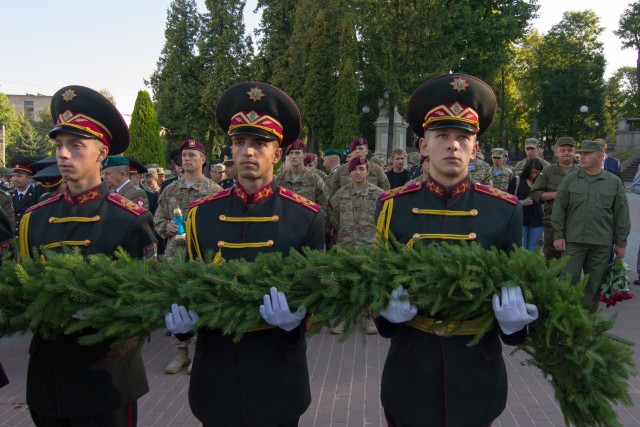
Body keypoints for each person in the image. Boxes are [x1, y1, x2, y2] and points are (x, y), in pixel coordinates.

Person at [375, 73, 538, 427]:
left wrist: (513, 328)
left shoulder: (504, 208)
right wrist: (385, 314)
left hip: (476, 369)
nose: (453, 145)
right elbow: (376, 282)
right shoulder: (392, 206)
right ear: (424, 146)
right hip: (411, 368)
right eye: (442, 136)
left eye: (463, 137)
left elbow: (513, 286)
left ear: (475, 149)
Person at [164, 82, 324, 426]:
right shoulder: (200, 214)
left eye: (260, 143)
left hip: (277, 369)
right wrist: (182, 326)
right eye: (240, 142)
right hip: (216, 368)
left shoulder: (306, 214)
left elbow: (317, 293)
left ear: (277, 153)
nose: (248, 152)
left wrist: (298, 319)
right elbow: (192, 283)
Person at [18, 85, 157, 426]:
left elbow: (147, 301)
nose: (63, 155)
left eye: (76, 146)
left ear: (101, 152)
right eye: (60, 145)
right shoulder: (34, 218)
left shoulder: (130, 217)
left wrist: (105, 309)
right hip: (47, 377)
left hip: (105, 377)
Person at [551, 140, 630, 313]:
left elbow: (621, 213)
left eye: (587, 153)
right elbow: (558, 209)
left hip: (601, 243)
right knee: (567, 282)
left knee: (593, 286)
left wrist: (621, 242)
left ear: (600, 156)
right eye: (581, 153)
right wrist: (558, 235)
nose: (581, 156)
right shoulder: (570, 180)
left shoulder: (614, 182)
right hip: (573, 241)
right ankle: (565, 320)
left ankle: (587, 323)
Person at [328, 155, 383, 334]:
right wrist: (344, 231)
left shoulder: (379, 195)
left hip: (369, 245)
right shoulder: (340, 194)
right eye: (354, 169)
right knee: (344, 281)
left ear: (367, 171)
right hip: (346, 245)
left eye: (361, 169)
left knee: (369, 281)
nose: (358, 172)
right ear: (349, 172)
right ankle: (344, 318)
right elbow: (333, 217)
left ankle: (369, 318)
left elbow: (383, 218)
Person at [529, 136, 580, 261]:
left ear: (574, 152)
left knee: (573, 259)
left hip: (577, 223)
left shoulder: (581, 172)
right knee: (552, 259)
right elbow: (534, 194)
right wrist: (555, 195)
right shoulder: (548, 172)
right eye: (563, 150)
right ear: (556, 152)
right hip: (552, 223)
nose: (566, 153)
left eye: (570, 150)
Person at [275, 139, 329, 216]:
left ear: (304, 155)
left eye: (297, 153)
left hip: (308, 224)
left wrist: (319, 224)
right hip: (285, 224)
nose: (294, 156)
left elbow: (324, 204)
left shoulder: (315, 179)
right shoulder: (280, 178)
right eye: (291, 153)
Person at [507, 159, 544, 252]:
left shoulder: (542, 181)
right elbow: (507, 200)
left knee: (533, 249)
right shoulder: (517, 180)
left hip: (537, 219)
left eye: (537, 172)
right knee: (521, 248)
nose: (534, 175)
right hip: (521, 219)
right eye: (532, 172)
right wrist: (521, 202)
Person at [10, 155, 42, 233]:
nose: (15, 179)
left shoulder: (37, 195)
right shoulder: (9, 195)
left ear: (29, 178)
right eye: (13, 175)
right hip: (11, 240)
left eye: (19, 176)